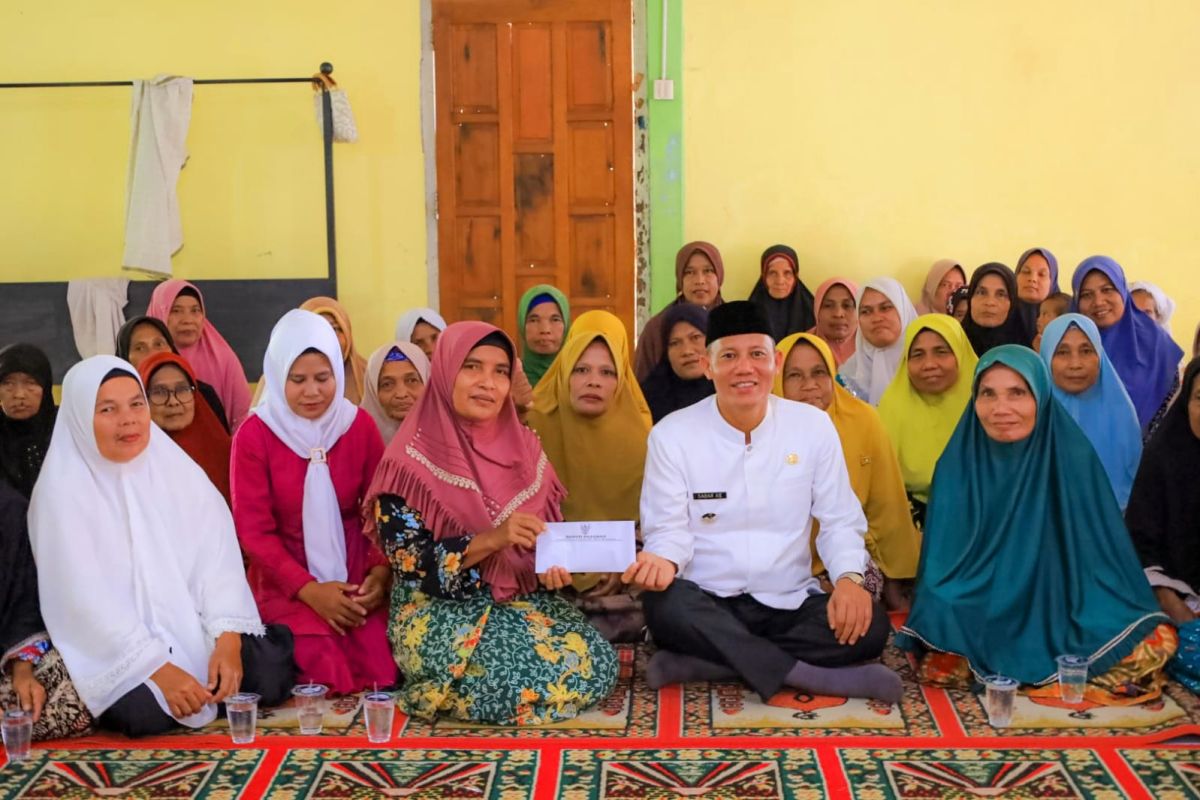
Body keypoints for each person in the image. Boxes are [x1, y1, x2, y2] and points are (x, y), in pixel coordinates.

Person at [626, 301, 899, 703]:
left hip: (787, 601)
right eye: (729, 356)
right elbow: (668, 531)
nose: (745, 369)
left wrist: (848, 580)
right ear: (707, 365)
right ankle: (805, 674)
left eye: (757, 354)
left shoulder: (812, 427)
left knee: (871, 623)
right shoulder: (672, 435)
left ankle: (714, 662)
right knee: (665, 605)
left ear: (777, 359)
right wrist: (662, 561)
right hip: (708, 599)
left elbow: (840, 519)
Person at [364, 321, 618, 724]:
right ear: (446, 371)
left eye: (501, 371)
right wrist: (493, 539)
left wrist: (551, 568)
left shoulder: (525, 447)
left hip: (518, 599)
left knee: (598, 663)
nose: (488, 383)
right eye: (472, 367)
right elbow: (412, 565)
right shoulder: (407, 462)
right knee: (513, 681)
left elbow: (542, 540)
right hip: (439, 608)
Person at [29, 356, 294, 737]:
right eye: (108, 409)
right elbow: (82, 602)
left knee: (268, 676)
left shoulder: (176, 469)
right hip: (117, 645)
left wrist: (228, 640)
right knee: (145, 714)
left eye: (137, 404)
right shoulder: (61, 493)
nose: (128, 419)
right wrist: (157, 669)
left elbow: (216, 561)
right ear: (79, 416)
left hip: (191, 622)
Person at [898, 346, 1174, 704]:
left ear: (1040, 397)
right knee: (941, 611)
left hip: (1061, 598)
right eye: (988, 394)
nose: (1001, 409)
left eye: (1017, 393)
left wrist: (1045, 591)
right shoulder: (957, 463)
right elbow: (941, 566)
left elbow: (1102, 562)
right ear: (974, 400)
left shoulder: (1073, 457)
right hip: (978, 599)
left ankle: (1013, 654)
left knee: (1153, 643)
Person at [232, 310, 395, 695]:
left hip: (353, 561)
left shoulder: (357, 425)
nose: (312, 392)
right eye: (297, 379)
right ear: (276, 376)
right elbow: (254, 532)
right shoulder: (256, 435)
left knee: (381, 669)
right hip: (284, 572)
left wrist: (378, 574)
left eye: (323, 378)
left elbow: (378, 511)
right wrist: (309, 589)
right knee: (323, 666)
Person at [528, 311, 652, 640]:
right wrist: (544, 562)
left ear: (622, 379)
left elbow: (661, 522)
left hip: (625, 582)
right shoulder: (533, 429)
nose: (593, 381)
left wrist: (627, 562)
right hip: (545, 579)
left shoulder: (644, 437)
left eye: (607, 372)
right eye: (581, 369)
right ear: (565, 371)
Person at [775, 333, 922, 611]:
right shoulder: (763, 431)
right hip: (777, 565)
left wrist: (891, 576)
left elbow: (886, 505)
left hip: (849, 553)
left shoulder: (862, 421)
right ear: (777, 380)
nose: (810, 386)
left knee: (855, 613)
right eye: (794, 375)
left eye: (819, 373)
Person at [0, 480, 93, 740]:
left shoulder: (9, 508)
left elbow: (25, 597)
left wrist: (22, 668)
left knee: (72, 697)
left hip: (5, 660)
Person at [878, 315, 979, 528]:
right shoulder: (891, 409)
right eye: (917, 355)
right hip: (909, 526)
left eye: (941, 352)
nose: (929, 364)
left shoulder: (985, 406)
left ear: (960, 353)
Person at [1039, 314, 1141, 510]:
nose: (1075, 364)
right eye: (1062, 352)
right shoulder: (1029, 415)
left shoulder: (1121, 415)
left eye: (1086, 351)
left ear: (1100, 357)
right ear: (1046, 356)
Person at [1071, 256, 1183, 434]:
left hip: (1146, 455)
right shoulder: (1065, 346)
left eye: (1107, 290)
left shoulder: (1158, 347)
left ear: (1123, 291)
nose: (1098, 301)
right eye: (1086, 295)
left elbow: (1173, 415)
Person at [1126, 357, 1200, 623]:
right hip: (1176, 602)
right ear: (1185, 405)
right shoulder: (1164, 459)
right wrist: (1172, 605)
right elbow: (1140, 544)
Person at [147, 280, 251, 431]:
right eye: (176, 310)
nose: (187, 320)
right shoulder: (145, 361)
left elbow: (243, 416)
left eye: (195, 311)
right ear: (160, 313)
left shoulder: (224, 359)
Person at [137, 352, 233, 504]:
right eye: (159, 392)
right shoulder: (133, 461)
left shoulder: (226, 454)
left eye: (182, 389)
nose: (173, 401)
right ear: (143, 399)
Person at [116, 315, 229, 431]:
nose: (153, 353)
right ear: (125, 358)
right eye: (140, 348)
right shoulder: (119, 404)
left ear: (171, 348)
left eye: (159, 344)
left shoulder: (203, 394)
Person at [634, 241, 726, 382]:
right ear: (680, 279)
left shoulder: (736, 322)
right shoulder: (658, 327)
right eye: (689, 272)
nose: (700, 280)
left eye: (708, 271)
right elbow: (640, 386)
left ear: (719, 276)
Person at [838, 278, 919, 405]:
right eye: (866, 311)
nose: (877, 318)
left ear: (903, 310)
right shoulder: (847, 378)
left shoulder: (927, 367)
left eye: (885, 308)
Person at [638, 303, 715, 424]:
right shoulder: (647, 400)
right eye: (674, 343)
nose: (687, 351)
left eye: (695, 337)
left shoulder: (735, 390)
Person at [0, 344, 56, 498]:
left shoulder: (66, 428)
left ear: (45, 386)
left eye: (30, 383)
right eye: (8, 383)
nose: (19, 395)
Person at [300, 297, 370, 404]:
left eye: (335, 329)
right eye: (318, 330)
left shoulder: (370, 377)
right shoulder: (277, 380)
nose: (328, 338)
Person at [360, 341, 430, 443]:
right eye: (387, 384)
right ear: (373, 392)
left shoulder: (448, 435)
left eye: (412, 381)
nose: (401, 394)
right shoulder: (357, 440)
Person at [747, 244, 815, 342]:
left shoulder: (813, 313)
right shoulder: (749, 315)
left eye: (787, 273)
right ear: (764, 276)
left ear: (795, 276)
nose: (780, 281)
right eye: (772, 273)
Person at [961, 263, 1030, 356]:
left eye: (1001, 295)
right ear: (970, 298)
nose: (990, 302)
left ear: (1013, 303)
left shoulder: (1025, 356)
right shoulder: (950, 346)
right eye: (981, 293)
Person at [518, 285, 571, 387]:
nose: (545, 330)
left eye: (555, 319)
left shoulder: (579, 380)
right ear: (522, 324)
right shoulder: (509, 380)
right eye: (534, 320)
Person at [808, 278, 859, 366]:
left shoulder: (875, 349)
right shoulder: (802, 348)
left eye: (847, 305)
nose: (838, 314)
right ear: (817, 311)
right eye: (828, 306)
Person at [1014, 247, 1060, 338]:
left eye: (1042, 274)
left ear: (1052, 281)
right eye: (1026, 272)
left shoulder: (1065, 317)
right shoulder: (1001, 313)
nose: (1032, 279)